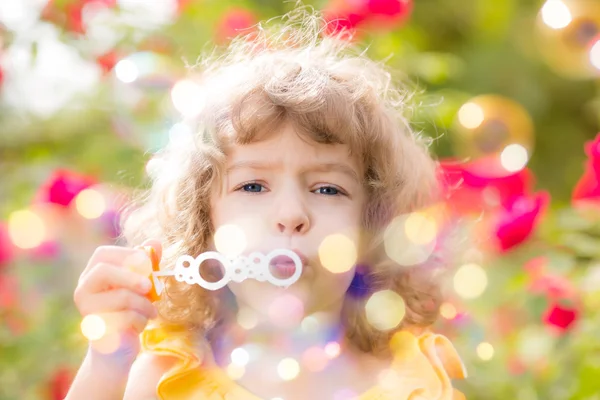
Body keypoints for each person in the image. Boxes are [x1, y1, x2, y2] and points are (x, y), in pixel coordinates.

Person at [66, 7, 467, 400]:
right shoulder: (166, 378)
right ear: (204, 224)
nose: (291, 215)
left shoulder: (415, 384)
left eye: (327, 189)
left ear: (374, 226)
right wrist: (105, 367)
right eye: (254, 186)